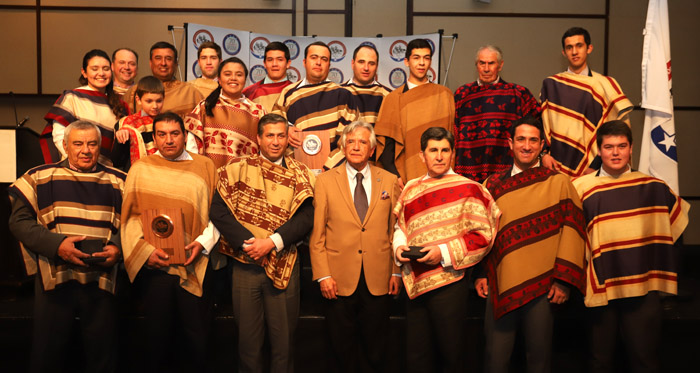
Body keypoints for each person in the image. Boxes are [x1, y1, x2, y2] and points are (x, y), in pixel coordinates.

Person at [571, 121, 690, 373]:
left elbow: (675, 231)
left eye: (621, 146)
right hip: (599, 287)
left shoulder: (653, 187)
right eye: (609, 147)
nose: (615, 153)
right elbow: (570, 239)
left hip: (643, 289)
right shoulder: (579, 188)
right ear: (599, 150)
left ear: (631, 148)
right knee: (599, 361)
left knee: (644, 360)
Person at [9, 120, 126, 373]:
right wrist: (57, 245)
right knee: (48, 356)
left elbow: (135, 223)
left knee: (103, 357)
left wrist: (118, 249)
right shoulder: (38, 177)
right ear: (65, 145)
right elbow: (18, 222)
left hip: (103, 279)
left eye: (92, 144)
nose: (86, 150)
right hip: (55, 278)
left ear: (99, 148)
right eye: (78, 143)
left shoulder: (120, 181)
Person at [475, 116, 586, 373]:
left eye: (533, 140)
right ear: (510, 143)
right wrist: (481, 274)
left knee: (539, 359)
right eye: (521, 139)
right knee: (495, 358)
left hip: (544, 286)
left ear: (542, 145)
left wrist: (564, 280)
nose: (527, 146)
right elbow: (481, 233)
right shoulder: (492, 185)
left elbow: (572, 230)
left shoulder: (559, 183)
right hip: (500, 283)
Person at [210, 113, 315, 372]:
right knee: (248, 344)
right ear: (258, 138)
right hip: (246, 263)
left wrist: (271, 243)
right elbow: (218, 212)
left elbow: (307, 217)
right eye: (270, 135)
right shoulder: (237, 168)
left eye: (281, 135)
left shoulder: (300, 172)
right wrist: (251, 244)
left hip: (284, 264)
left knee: (284, 344)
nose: (276, 141)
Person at [393, 127, 500, 373]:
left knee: (451, 355)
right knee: (417, 356)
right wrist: (398, 248)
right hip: (416, 283)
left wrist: (442, 252)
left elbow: (483, 236)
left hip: (451, 282)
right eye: (433, 151)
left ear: (453, 154)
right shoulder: (411, 188)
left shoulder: (469, 188)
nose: (439, 156)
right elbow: (400, 226)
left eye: (445, 150)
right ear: (422, 156)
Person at [121, 111, 222, 372]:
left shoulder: (205, 166)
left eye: (175, 134)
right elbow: (129, 218)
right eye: (162, 135)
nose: (169, 140)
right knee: (157, 342)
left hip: (196, 262)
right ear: (154, 138)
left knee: (197, 341)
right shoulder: (141, 168)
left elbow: (218, 213)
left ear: (185, 136)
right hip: (157, 268)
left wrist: (202, 243)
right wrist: (144, 252)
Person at [309, 121, 401, 372]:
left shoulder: (390, 180)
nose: (356, 146)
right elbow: (317, 235)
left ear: (372, 150)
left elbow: (395, 230)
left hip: (379, 276)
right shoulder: (325, 181)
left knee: (376, 348)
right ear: (343, 147)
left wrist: (396, 271)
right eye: (350, 142)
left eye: (362, 142)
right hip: (337, 279)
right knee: (341, 348)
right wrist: (323, 275)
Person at [540, 27, 633, 177]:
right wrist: (543, 155)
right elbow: (542, 124)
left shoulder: (605, 84)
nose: (574, 52)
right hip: (557, 165)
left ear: (589, 48)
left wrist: (596, 165)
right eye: (569, 47)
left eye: (579, 46)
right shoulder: (551, 85)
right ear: (564, 52)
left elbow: (618, 130)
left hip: (596, 166)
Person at [454, 45, 541, 183]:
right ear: (476, 65)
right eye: (482, 63)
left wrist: (544, 154)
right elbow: (453, 132)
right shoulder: (462, 94)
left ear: (500, 65)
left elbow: (538, 128)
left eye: (491, 63)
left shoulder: (518, 93)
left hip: (507, 172)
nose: (486, 69)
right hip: (468, 172)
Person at [375, 39, 455, 186]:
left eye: (426, 58)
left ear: (431, 61)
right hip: (406, 177)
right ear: (407, 61)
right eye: (416, 58)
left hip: (443, 177)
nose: (422, 63)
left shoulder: (445, 95)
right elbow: (386, 145)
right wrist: (396, 175)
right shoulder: (393, 99)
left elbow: (453, 141)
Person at [272, 41, 359, 171]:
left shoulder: (343, 96)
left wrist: (328, 168)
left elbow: (349, 140)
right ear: (304, 62)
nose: (318, 62)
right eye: (314, 57)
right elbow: (273, 124)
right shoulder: (289, 93)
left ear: (329, 65)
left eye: (324, 59)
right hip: (295, 172)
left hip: (333, 172)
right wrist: (286, 129)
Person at [40, 49, 129, 165]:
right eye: (94, 69)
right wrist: (76, 162)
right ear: (84, 72)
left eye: (106, 69)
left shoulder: (120, 104)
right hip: (74, 168)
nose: (101, 73)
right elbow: (59, 135)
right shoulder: (72, 97)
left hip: (106, 171)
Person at [185, 57, 265, 169]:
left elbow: (265, 151)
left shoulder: (257, 112)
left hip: (246, 178)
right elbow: (192, 147)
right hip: (211, 177)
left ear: (245, 79)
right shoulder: (204, 107)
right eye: (227, 74)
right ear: (219, 79)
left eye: (239, 74)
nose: (233, 78)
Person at [122, 41, 204, 119]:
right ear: (150, 63)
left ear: (175, 64)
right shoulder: (135, 91)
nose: (163, 63)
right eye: (158, 58)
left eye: (168, 58)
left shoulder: (190, 92)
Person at [110, 76, 165, 171]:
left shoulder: (169, 122)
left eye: (159, 101)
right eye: (149, 101)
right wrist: (120, 141)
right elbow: (116, 160)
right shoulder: (127, 123)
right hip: (136, 173)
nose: (155, 106)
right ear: (138, 100)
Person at [342, 44, 391, 126]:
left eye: (371, 63)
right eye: (361, 62)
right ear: (352, 64)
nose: (366, 68)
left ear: (377, 66)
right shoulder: (339, 93)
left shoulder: (388, 96)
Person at [243, 41, 293, 112]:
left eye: (280, 60)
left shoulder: (296, 91)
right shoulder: (249, 93)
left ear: (288, 63)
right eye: (270, 60)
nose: (274, 64)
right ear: (264, 64)